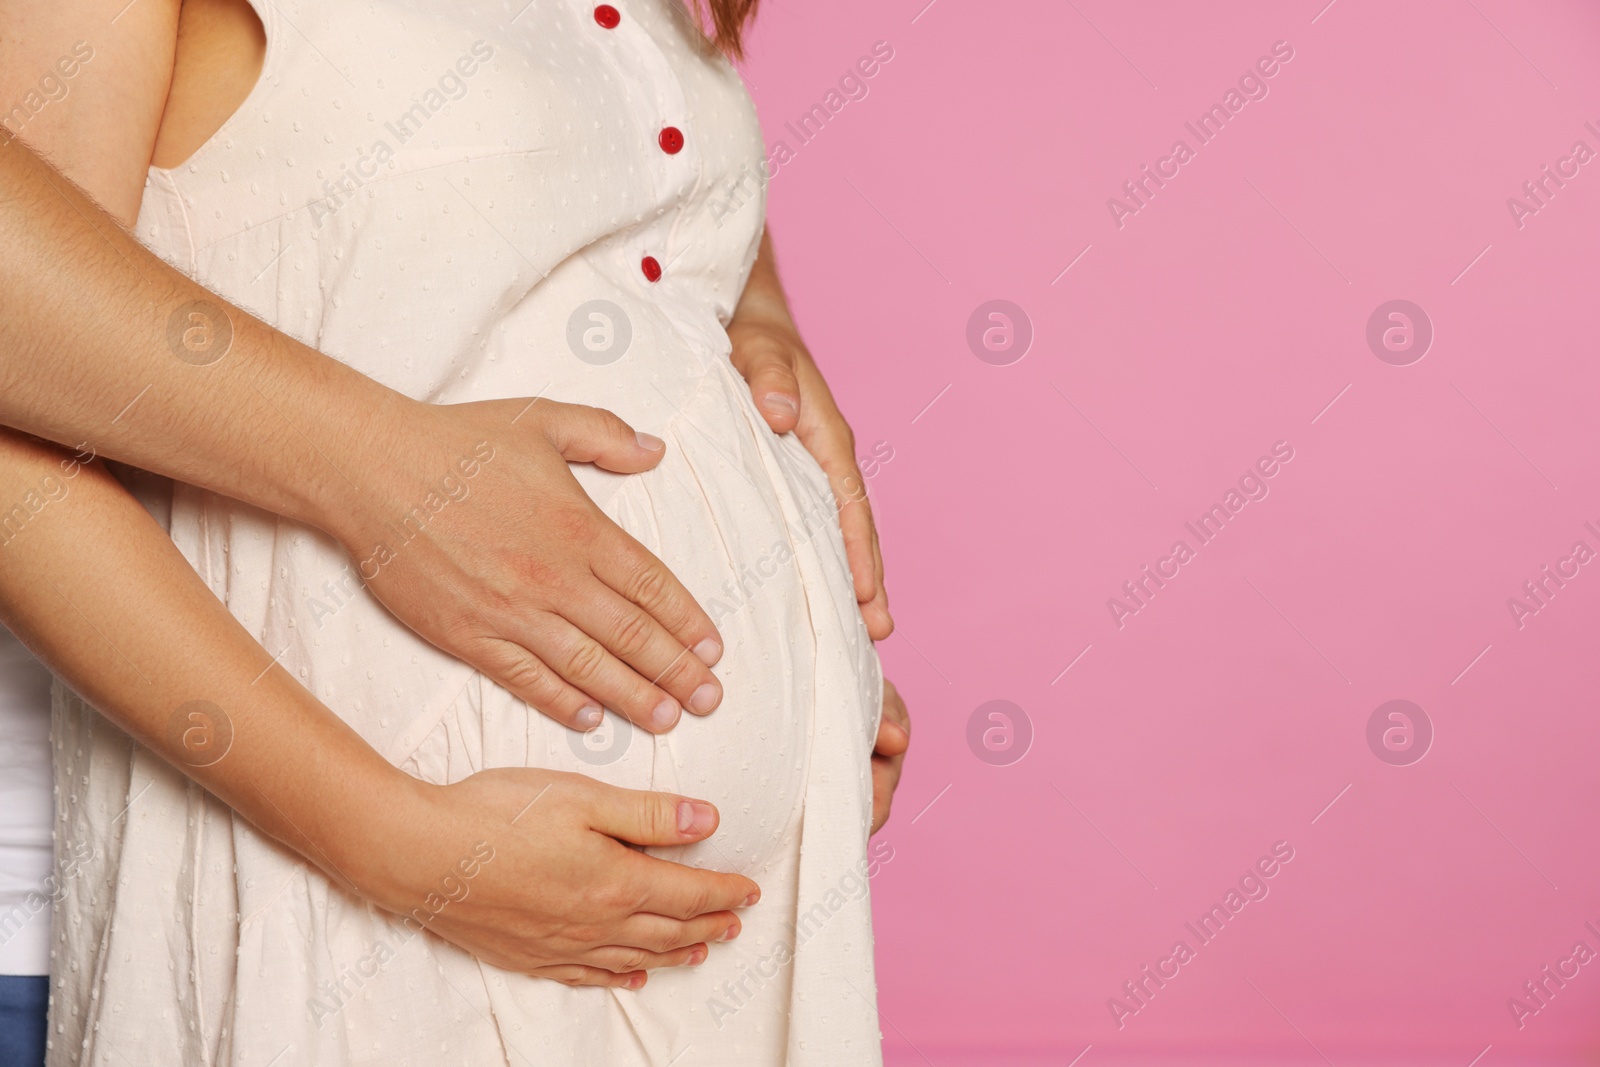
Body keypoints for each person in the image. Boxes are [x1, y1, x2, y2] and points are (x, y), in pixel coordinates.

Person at [0, 0, 909, 1063]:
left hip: (708, 955)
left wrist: (749, 321)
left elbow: (599, 163)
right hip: (339, 907)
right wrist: (392, 837)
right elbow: (23, 410)